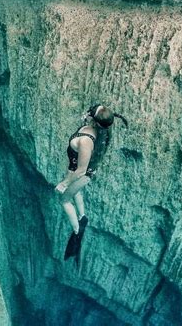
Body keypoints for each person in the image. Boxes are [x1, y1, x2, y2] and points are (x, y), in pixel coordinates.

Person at [55, 104, 128, 262]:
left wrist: (64, 183)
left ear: (94, 121)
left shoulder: (87, 141)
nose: (87, 113)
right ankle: (82, 216)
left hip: (81, 175)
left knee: (65, 200)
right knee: (77, 193)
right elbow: (101, 111)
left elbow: (81, 170)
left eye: (90, 114)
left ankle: (76, 231)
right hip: (79, 172)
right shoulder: (102, 127)